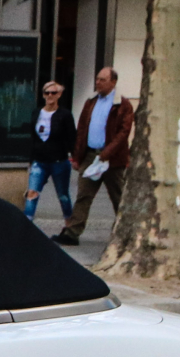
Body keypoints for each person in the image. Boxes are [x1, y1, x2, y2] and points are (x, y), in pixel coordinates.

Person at [55, 65, 135, 247]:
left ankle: (128, 234)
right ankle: (72, 233)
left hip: (112, 159)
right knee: (83, 195)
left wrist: (107, 154)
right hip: (91, 156)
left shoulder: (122, 104)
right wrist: (77, 156)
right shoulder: (91, 102)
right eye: (97, 79)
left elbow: (123, 133)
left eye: (102, 80)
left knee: (118, 197)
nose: (98, 83)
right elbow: (82, 129)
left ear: (113, 82)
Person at [22, 79, 75, 226]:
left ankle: (69, 224)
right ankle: (26, 226)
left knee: (63, 195)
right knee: (32, 192)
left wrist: (75, 157)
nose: (50, 95)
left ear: (59, 95)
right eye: (47, 93)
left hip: (59, 161)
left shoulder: (65, 115)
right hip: (39, 160)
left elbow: (72, 137)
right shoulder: (37, 112)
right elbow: (33, 138)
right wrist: (30, 159)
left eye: (54, 92)